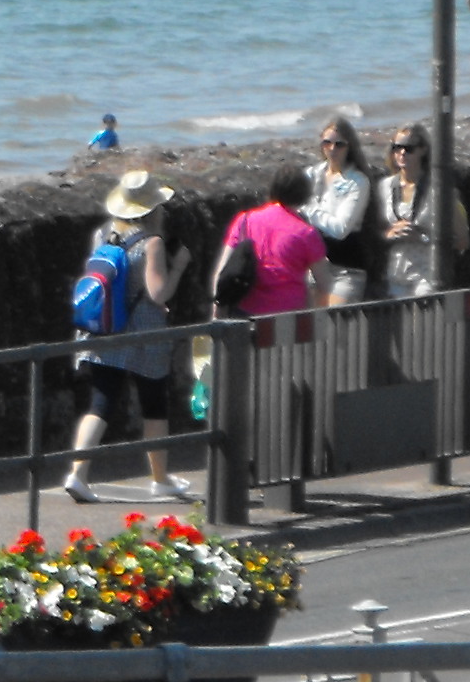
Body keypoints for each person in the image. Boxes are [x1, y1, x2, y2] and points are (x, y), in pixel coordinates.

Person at [66, 172, 193, 502]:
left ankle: (77, 474)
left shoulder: (103, 234)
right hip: (143, 335)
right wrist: (179, 267)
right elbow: (158, 293)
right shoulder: (151, 243)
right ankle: (160, 479)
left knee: (100, 402)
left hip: (104, 330)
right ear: (152, 209)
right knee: (154, 404)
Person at [220, 163, 329, 318]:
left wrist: (217, 308)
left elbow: (223, 269)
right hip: (289, 315)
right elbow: (324, 283)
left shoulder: (245, 220)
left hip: (245, 311)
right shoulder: (306, 233)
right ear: (304, 194)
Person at [381, 126, 459, 297]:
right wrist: (390, 233)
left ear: (422, 150)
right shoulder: (385, 186)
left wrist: (421, 237)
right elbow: (374, 231)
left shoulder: (438, 189)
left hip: (426, 273)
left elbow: (459, 240)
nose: (402, 153)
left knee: (423, 311)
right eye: (397, 147)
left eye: (409, 148)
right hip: (396, 273)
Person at [309, 117, 378, 304]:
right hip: (314, 266)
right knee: (307, 319)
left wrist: (310, 210)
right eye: (327, 143)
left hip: (346, 269)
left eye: (339, 144)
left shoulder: (357, 181)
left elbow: (340, 229)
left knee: (336, 317)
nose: (332, 149)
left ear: (349, 147)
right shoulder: (312, 174)